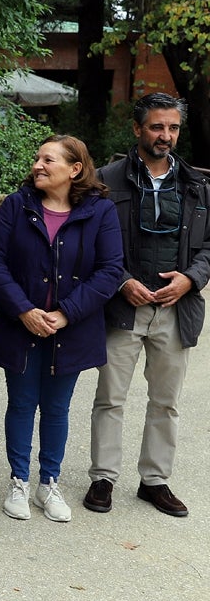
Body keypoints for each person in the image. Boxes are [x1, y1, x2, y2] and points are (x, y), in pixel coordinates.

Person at [0, 135, 122, 522]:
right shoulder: (16, 205)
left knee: (58, 407)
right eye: (37, 158)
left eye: (49, 159)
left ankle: (49, 483)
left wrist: (66, 314)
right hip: (19, 324)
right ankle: (19, 482)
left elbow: (110, 270)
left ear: (75, 170)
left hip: (71, 328)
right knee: (22, 402)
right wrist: (24, 310)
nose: (38, 165)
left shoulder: (101, 212)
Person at [85, 92, 210, 517]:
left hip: (177, 308)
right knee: (110, 397)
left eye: (172, 127)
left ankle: (154, 481)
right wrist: (121, 282)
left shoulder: (197, 184)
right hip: (124, 308)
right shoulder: (106, 180)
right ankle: (103, 478)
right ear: (137, 129)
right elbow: (92, 243)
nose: (165, 135)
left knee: (166, 401)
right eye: (157, 126)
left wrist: (190, 279)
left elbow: (209, 247)